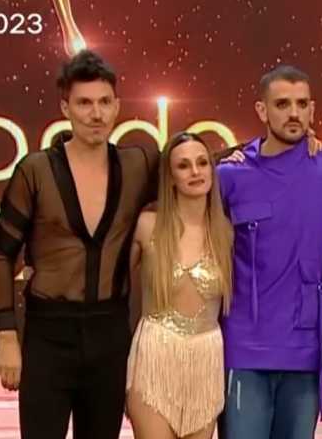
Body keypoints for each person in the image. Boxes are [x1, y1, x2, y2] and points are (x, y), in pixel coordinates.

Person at [0, 50, 158, 438]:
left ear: (117, 106)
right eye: (84, 103)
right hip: (48, 337)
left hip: (110, 335)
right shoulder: (35, 171)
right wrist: (7, 336)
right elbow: (1, 256)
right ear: (65, 108)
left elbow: (197, 164)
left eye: (104, 102)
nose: (96, 114)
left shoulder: (137, 166)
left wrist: (273, 147)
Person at [216, 65, 322, 439]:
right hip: (244, 348)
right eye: (282, 104)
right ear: (261, 110)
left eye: (302, 104)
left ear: (312, 109)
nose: (294, 113)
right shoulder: (229, 175)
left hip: (306, 350)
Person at [126, 132, 233, 438]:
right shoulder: (147, 226)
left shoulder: (226, 232)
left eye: (202, 163)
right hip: (155, 356)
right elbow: (109, 283)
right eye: (183, 166)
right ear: (170, 177)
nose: (195, 172)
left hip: (206, 359)